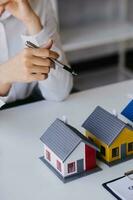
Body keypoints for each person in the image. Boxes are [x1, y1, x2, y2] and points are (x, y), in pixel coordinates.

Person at [0, 0, 73, 107]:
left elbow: (59, 93)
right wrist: (4, 76)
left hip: (32, 105)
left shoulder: (39, 4)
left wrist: (31, 21)